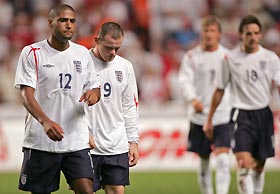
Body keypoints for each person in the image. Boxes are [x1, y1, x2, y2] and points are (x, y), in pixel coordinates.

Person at [14, 4, 100, 194]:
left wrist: (94, 94)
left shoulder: (82, 54)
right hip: (41, 140)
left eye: (72, 21)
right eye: (63, 20)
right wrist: (45, 122)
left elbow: (94, 86)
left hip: (75, 139)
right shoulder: (32, 53)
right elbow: (26, 94)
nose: (69, 25)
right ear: (50, 23)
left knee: (87, 191)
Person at [203, 15, 280, 194]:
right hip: (240, 114)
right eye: (248, 33)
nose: (252, 37)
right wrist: (210, 118)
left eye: (255, 33)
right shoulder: (230, 58)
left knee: (259, 166)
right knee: (244, 164)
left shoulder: (271, 58)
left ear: (260, 35)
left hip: (263, 114)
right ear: (241, 35)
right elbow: (220, 89)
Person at [178, 15, 232, 194]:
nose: (209, 34)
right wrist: (193, 99)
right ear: (201, 33)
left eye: (212, 31)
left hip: (223, 115)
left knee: (224, 160)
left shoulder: (227, 56)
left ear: (219, 34)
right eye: (206, 30)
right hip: (199, 116)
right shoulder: (192, 56)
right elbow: (184, 81)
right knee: (204, 160)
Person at [86, 21, 139, 194]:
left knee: (117, 191)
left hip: (117, 144)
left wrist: (133, 141)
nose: (113, 53)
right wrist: (81, 132)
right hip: (87, 145)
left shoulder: (125, 67)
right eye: (109, 47)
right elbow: (70, 104)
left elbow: (130, 106)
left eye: (117, 48)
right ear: (97, 40)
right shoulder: (81, 64)